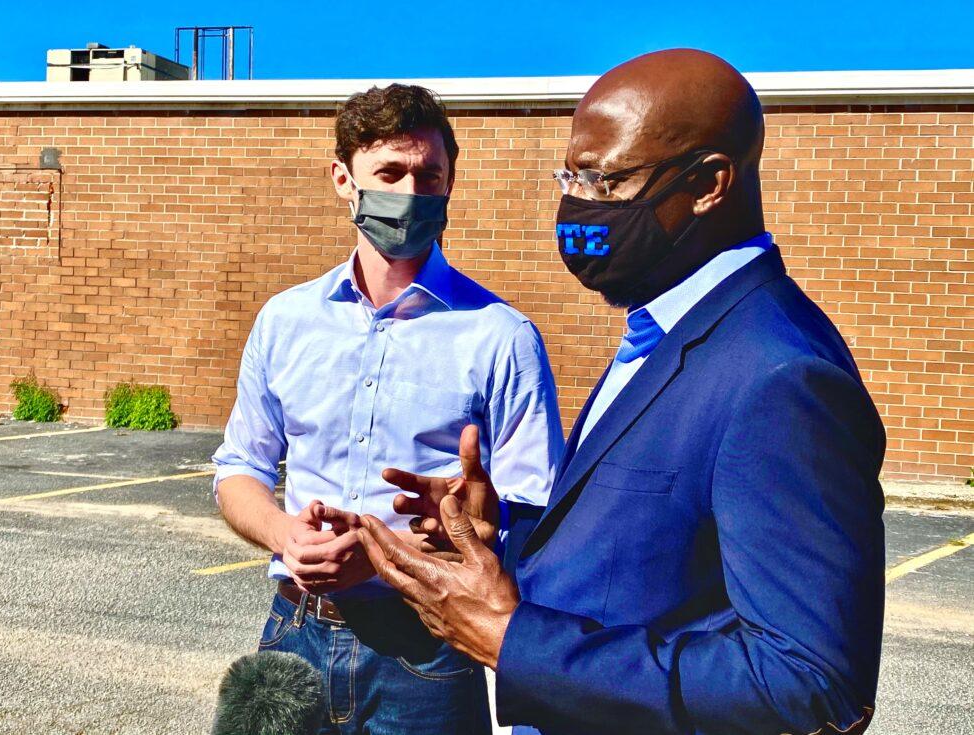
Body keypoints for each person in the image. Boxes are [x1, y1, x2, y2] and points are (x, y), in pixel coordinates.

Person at [355, 50, 886, 735]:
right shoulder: (666, 325)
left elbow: (810, 684)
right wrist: (505, 536)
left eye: (605, 181)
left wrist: (513, 641)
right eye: (571, 176)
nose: (577, 205)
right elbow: (651, 559)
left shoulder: (779, 375)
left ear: (708, 184)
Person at [211, 83, 563, 735]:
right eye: (389, 173)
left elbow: (536, 517)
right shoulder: (286, 321)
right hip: (293, 633)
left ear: (450, 184)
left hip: (425, 650)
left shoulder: (501, 336)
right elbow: (239, 470)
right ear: (344, 180)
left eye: (428, 175)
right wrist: (286, 534)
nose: (409, 192)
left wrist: (387, 552)